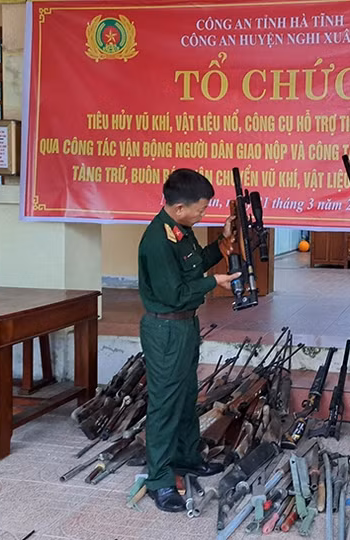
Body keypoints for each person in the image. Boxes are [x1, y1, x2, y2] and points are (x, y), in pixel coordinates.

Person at [137, 168, 241, 513]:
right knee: (165, 404)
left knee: (184, 399)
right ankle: (161, 480)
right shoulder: (157, 241)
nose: (203, 214)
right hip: (165, 329)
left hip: (183, 327)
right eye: (200, 209)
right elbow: (176, 292)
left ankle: (186, 457)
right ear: (179, 207)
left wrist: (222, 245)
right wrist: (215, 283)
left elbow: (193, 267)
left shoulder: (180, 231)